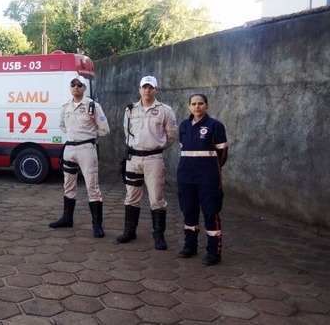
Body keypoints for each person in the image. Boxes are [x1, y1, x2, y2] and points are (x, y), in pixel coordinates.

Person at [117, 75, 178, 250]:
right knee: (131, 196)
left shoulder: (165, 110)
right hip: (133, 159)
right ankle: (130, 231)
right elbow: (126, 130)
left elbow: (171, 135)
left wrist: (155, 147)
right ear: (139, 89)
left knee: (156, 198)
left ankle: (158, 235)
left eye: (151, 87)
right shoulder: (130, 110)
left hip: (154, 159)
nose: (147, 90)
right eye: (144, 87)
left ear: (156, 90)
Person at [49, 78, 110, 238]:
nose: (75, 87)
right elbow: (62, 125)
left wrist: (88, 136)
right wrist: (74, 136)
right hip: (69, 148)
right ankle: (67, 218)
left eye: (79, 85)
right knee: (68, 184)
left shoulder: (92, 106)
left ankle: (97, 225)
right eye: (73, 84)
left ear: (84, 88)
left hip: (86, 149)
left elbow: (104, 129)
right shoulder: (66, 107)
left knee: (92, 186)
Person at [177, 93, 228, 265]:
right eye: (193, 104)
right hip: (186, 177)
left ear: (206, 105)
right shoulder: (184, 126)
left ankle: (214, 252)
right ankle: (190, 247)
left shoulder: (215, 126)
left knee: (210, 212)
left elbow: (222, 154)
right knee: (189, 212)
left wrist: (210, 170)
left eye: (200, 103)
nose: (197, 107)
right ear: (189, 106)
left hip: (208, 179)